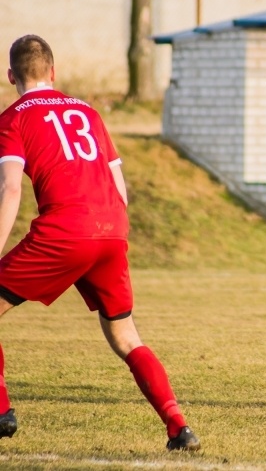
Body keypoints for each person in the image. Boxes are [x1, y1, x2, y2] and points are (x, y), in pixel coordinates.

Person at [0, 35, 199, 450]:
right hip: (112, 228)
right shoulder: (87, 111)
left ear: (10, 76)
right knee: (126, 336)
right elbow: (120, 187)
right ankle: (178, 426)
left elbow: (10, 190)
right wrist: (114, 238)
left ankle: (2, 412)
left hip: (64, 230)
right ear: (53, 73)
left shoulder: (12, 118)